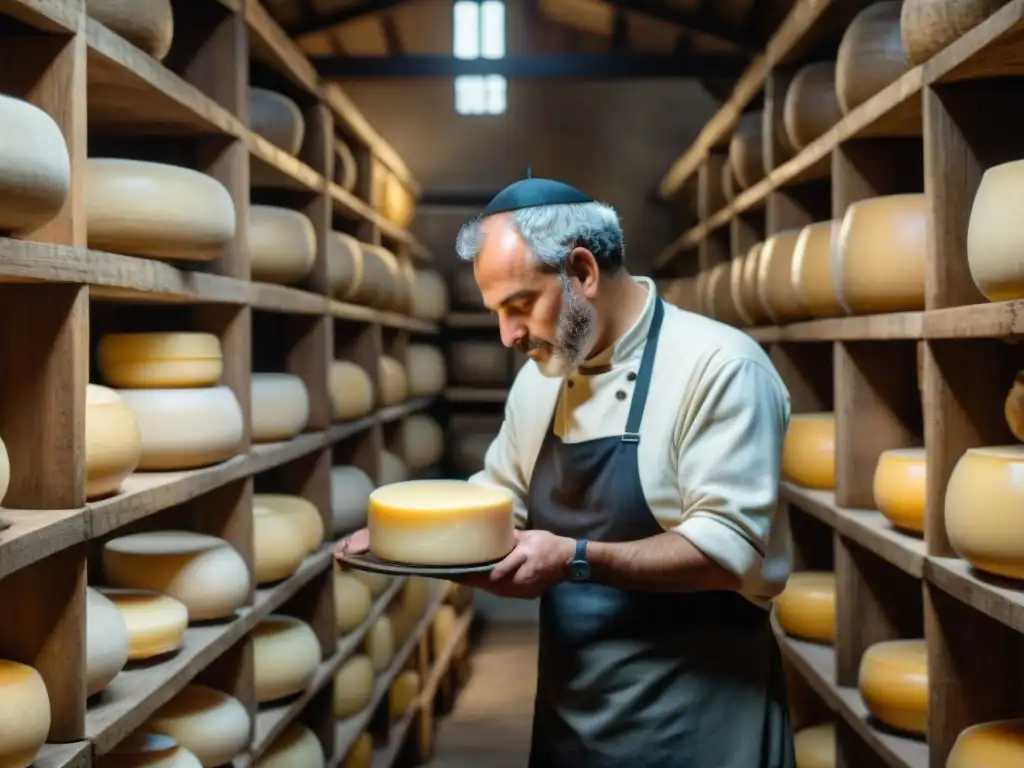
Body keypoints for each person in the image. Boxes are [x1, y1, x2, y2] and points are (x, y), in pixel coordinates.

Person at [337, 175, 796, 768]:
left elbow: (726, 551)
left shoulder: (721, 368)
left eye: (520, 305)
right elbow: (497, 500)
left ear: (582, 272)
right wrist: (409, 542)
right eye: (496, 312)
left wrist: (576, 557)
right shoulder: (541, 380)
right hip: (575, 720)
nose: (507, 336)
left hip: (702, 723)